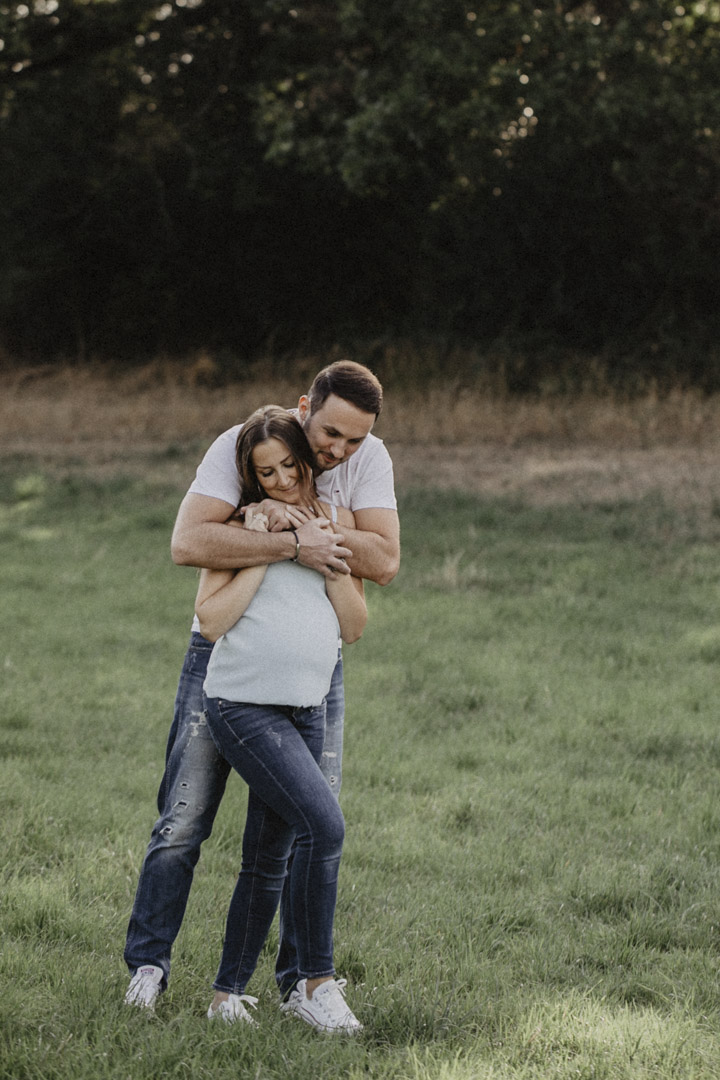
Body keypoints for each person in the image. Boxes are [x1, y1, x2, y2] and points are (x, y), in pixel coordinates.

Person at [124, 360, 400, 1010]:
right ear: (306, 408)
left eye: (355, 439)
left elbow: (385, 561)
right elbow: (189, 541)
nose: (339, 450)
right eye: (330, 433)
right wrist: (288, 543)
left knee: (310, 820)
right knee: (185, 816)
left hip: (313, 666)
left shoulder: (366, 462)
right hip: (226, 654)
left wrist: (315, 526)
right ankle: (149, 966)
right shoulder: (246, 444)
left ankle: (301, 981)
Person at [198, 406, 366, 1031]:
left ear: (304, 459)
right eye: (266, 473)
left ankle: (226, 997)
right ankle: (316, 983)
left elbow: (354, 625)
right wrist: (269, 549)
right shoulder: (241, 528)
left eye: (290, 465)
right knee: (324, 827)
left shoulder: (334, 524)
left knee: (268, 856)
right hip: (242, 704)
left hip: (306, 708)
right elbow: (211, 621)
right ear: (253, 478)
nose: (283, 480)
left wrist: (322, 550)